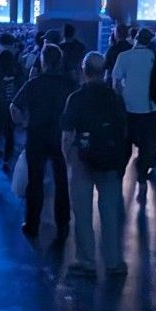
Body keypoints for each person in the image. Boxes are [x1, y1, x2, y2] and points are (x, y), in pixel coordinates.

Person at [62, 53, 131, 278]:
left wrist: (69, 158)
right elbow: (124, 130)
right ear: (104, 72)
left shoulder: (76, 97)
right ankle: (113, 261)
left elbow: (67, 133)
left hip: (82, 158)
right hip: (110, 161)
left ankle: (86, 261)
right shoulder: (115, 97)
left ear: (84, 70)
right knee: (110, 212)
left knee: (82, 213)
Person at [11, 44, 76, 246]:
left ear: (43, 61)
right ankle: (63, 225)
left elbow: (14, 106)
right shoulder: (70, 84)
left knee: (35, 180)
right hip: (61, 137)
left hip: (37, 135)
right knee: (62, 181)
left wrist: (22, 123)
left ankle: (31, 224)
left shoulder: (34, 83)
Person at [110, 29, 156, 187]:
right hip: (151, 107)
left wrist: (121, 101)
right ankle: (142, 174)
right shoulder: (155, 56)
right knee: (147, 144)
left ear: (135, 39)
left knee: (125, 143)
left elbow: (116, 83)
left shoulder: (124, 56)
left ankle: (119, 175)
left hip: (129, 107)